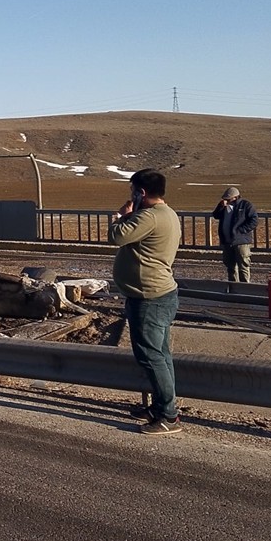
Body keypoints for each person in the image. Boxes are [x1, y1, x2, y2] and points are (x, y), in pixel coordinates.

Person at [108, 168, 183, 436]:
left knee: (152, 357)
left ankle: (169, 416)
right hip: (158, 295)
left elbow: (116, 237)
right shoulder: (167, 213)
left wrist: (122, 216)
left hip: (148, 297)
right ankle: (163, 406)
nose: (130, 196)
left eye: (132, 191)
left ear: (141, 192)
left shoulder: (149, 217)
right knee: (160, 355)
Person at [211, 187, 258, 282]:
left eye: (228, 199)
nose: (226, 201)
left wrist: (241, 230)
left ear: (235, 197)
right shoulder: (224, 207)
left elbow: (254, 220)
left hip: (241, 241)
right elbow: (216, 215)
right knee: (230, 266)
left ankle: (245, 288)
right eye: (225, 199)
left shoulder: (246, 205)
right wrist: (220, 206)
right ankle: (233, 287)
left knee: (243, 265)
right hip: (227, 241)